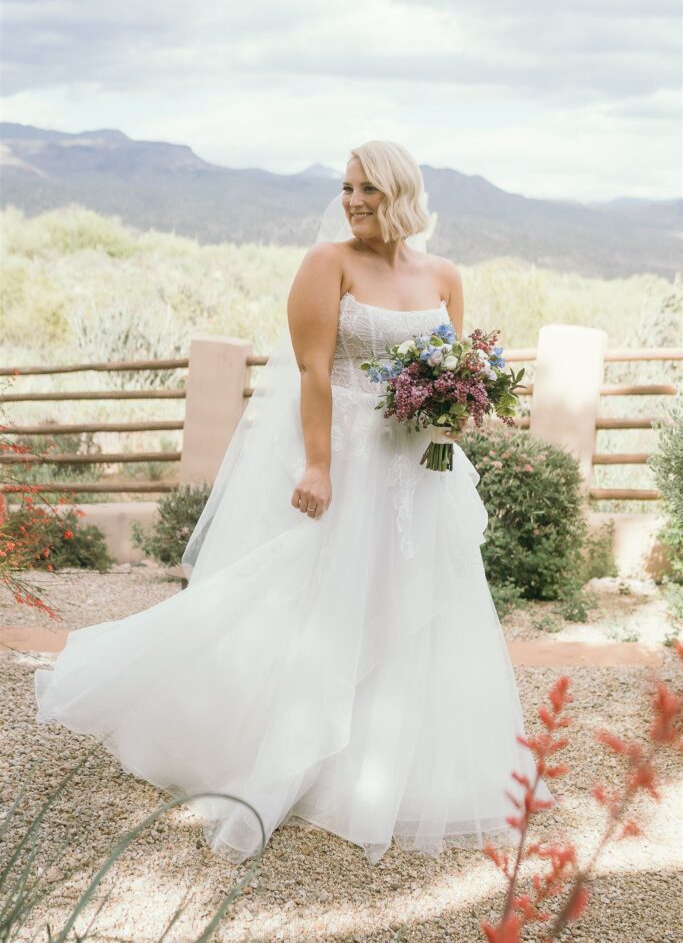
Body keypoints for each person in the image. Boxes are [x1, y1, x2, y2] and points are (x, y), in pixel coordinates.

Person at [35, 140, 555, 866]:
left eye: (368, 188)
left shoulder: (443, 275)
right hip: (346, 456)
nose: (352, 201)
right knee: (313, 596)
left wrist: (452, 415)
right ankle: (260, 738)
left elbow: (457, 369)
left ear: (400, 193)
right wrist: (318, 465)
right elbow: (313, 370)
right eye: (346, 188)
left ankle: (385, 769)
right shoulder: (326, 263)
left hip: (418, 471)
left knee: (414, 598)